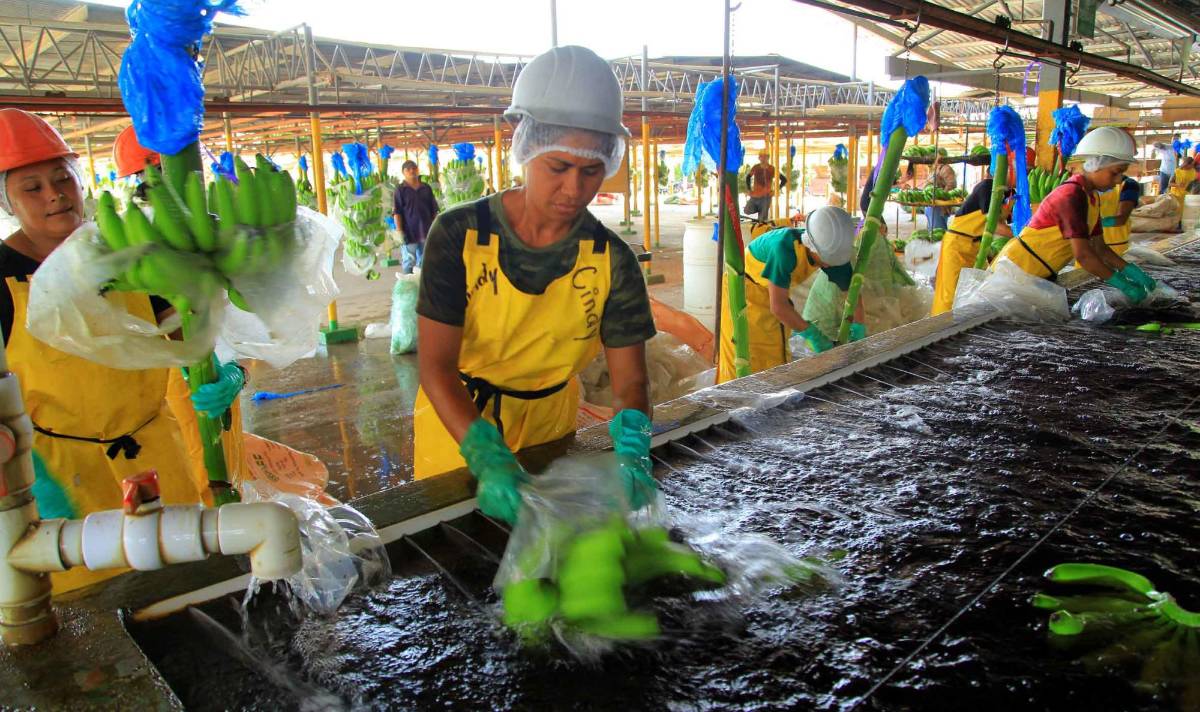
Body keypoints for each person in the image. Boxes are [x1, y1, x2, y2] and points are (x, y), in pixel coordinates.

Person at [414, 46, 657, 524]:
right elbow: (435, 366)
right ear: (525, 147)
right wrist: (486, 455)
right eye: (558, 167)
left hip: (551, 428)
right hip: (461, 425)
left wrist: (634, 448)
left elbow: (631, 380)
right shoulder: (460, 235)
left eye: (591, 171)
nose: (574, 189)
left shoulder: (612, 260)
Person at [0, 109, 215, 592]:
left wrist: (220, 368)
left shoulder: (118, 248)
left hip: (156, 452)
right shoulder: (3, 278)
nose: (55, 194)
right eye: (31, 188)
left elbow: (181, 329)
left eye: (62, 179)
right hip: (64, 475)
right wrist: (28, 479)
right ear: (7, 201)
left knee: (187, 584)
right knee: (96, 610)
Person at [991, 127, 1156, 303]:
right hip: (1015, 272)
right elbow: (1083, 255)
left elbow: (1099, 247)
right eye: (1115, 172)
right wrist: (1121, 284)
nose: (1118, 180)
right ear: (1094, 164)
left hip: (1038, 274)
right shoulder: (1071, 196)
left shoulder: (1091, 196)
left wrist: (1130, 270)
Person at [717, 206, 864, 384]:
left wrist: (858, 328)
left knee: (775, 351)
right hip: (743, 292)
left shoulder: (832, 252)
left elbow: (852, 293)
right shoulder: (784, 250)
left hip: (771, 291)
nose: (828, 265)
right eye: (826, 260)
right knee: (744, 353)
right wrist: (814, 335)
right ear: (812, 246)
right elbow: (778, 307)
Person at [930, 174, 1013, 316]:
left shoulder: (1011, 195)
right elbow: (992, 224)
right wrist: (1020, 236)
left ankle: (957, 328)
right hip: (957, 244)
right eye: (1024, 169)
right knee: (949, 294)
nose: (1026, 174)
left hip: (975, 247)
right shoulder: (988, 187)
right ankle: (939, 330)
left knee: (966, 293)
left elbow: (1000, 225)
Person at [392, 159, 439, 273]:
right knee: (409, 261)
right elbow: (397, 212)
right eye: (408, 169)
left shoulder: (426, 188)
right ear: (403, 172)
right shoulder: (400, 190)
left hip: (426, 230)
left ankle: (421, 287)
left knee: (425, 262)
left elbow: (434, 210)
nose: (412, 171)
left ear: (417, 170)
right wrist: (399, 231)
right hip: (409, 232)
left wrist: (436, 228)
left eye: (414, 168)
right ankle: (407, 288)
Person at [1095, 174, 1140, 257]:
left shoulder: (1129, 185)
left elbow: (1121, 219)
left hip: (1115, 246)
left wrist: (1090, 224)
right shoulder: (1087, 185)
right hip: (1089, 245)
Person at [745, 150, 784, 222]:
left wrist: (775, 190)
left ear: (768, 158)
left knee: (762, 220)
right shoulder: (756, 167)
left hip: (766, 197)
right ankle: (760, 211)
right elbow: (748, 177)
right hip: (755, 195)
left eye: (765, 157)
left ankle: (761, 227)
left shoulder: (772, 169)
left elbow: (783, 180)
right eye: (761, 156)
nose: (763, 158)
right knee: (747, 210)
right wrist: (749, 189)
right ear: (759, 158)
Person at [924, 161, 957, 232]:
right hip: (931, 205)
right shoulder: (934, 169)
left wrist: (940, 195)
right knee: (931, 232)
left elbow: (952, 184)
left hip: (939, 207)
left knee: (938, 231)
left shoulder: (946, 169)